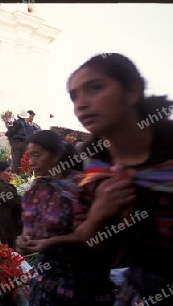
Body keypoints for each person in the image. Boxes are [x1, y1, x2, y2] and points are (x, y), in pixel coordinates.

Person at [21, 53, 173, 306]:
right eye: (74, 96)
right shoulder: (96, 169)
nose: (81, 104)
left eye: (95, 88)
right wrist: (100, 215)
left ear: (133, 90)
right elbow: (94, 245)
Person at [15, 130, 114, 305]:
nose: (32, 162)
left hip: (82, 281)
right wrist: (23, 239)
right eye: (30, 156)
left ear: (56, 155)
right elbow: (28, 227)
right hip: (46, 279)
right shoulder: (37, 188)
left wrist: (54, 242)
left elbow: (96, 235)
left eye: (37, 155)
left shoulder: (83, 186)